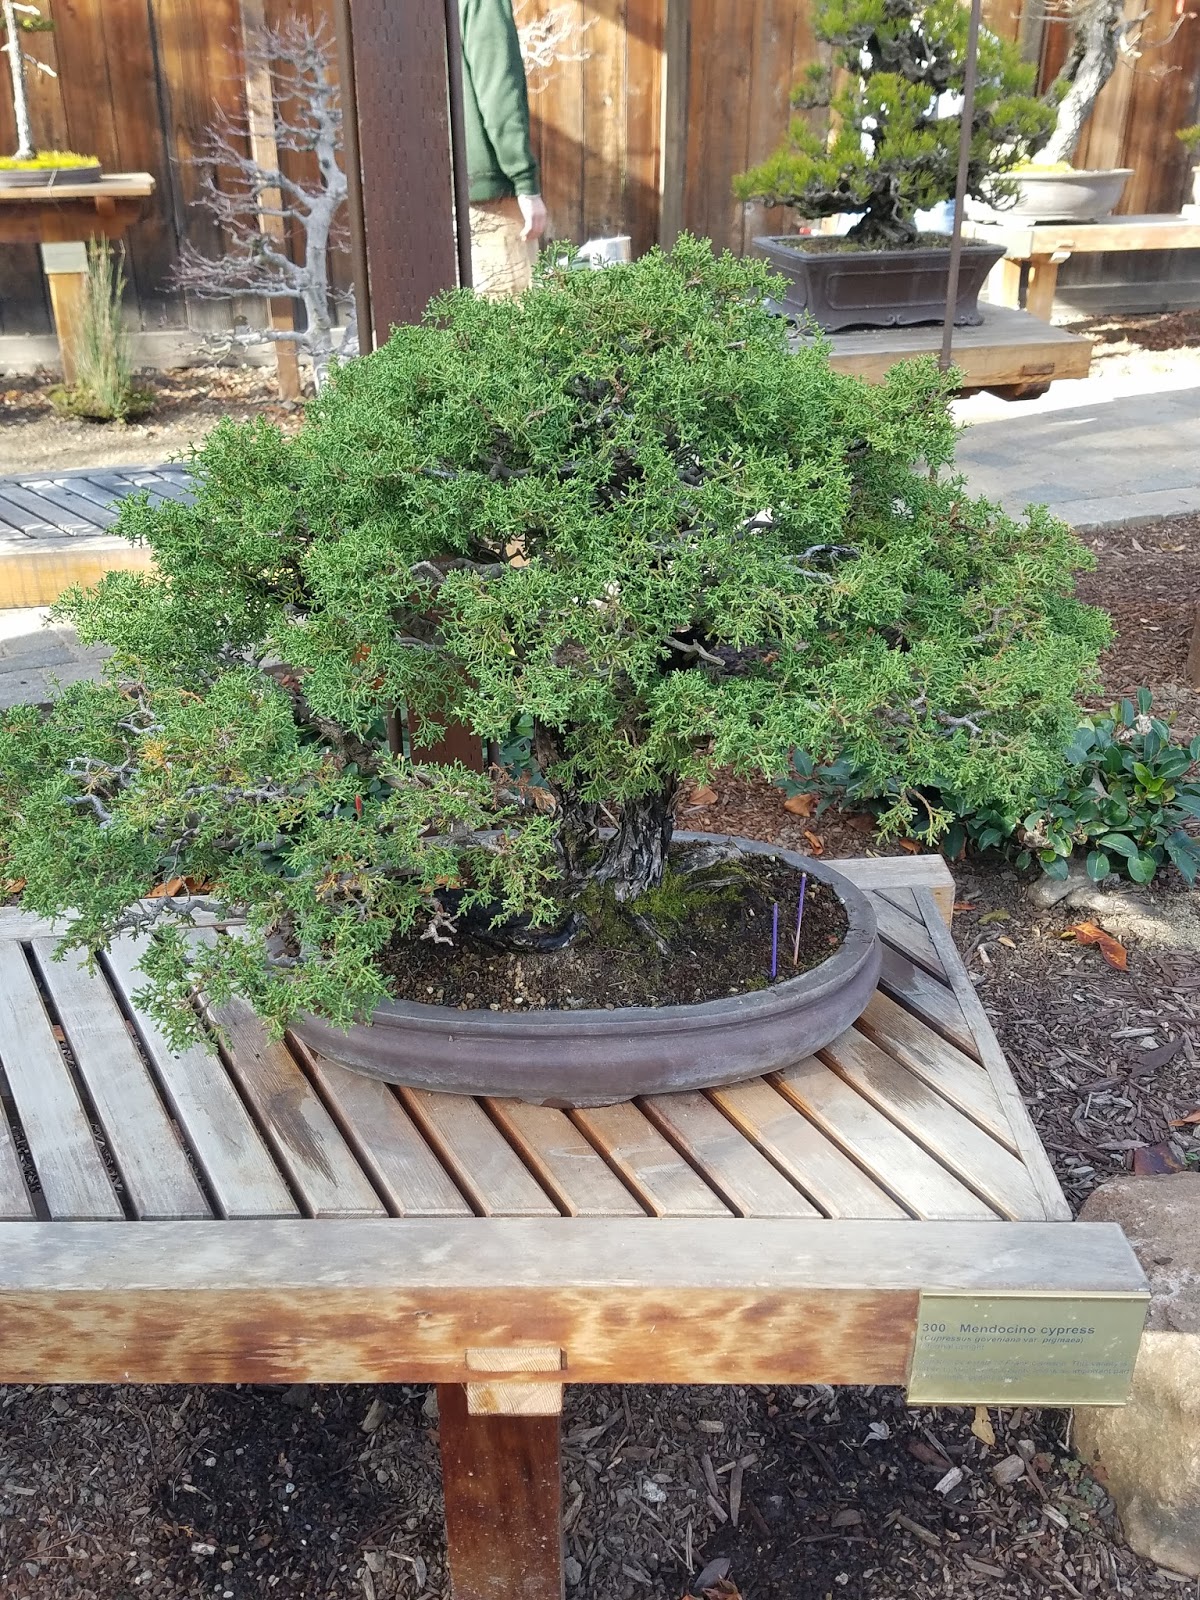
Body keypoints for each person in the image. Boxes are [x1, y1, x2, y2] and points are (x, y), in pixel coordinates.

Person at [458, 0, 548, 296]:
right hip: (490, 199)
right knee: (512, 311)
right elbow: (499, 93)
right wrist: (525, 183)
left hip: (433, 195)